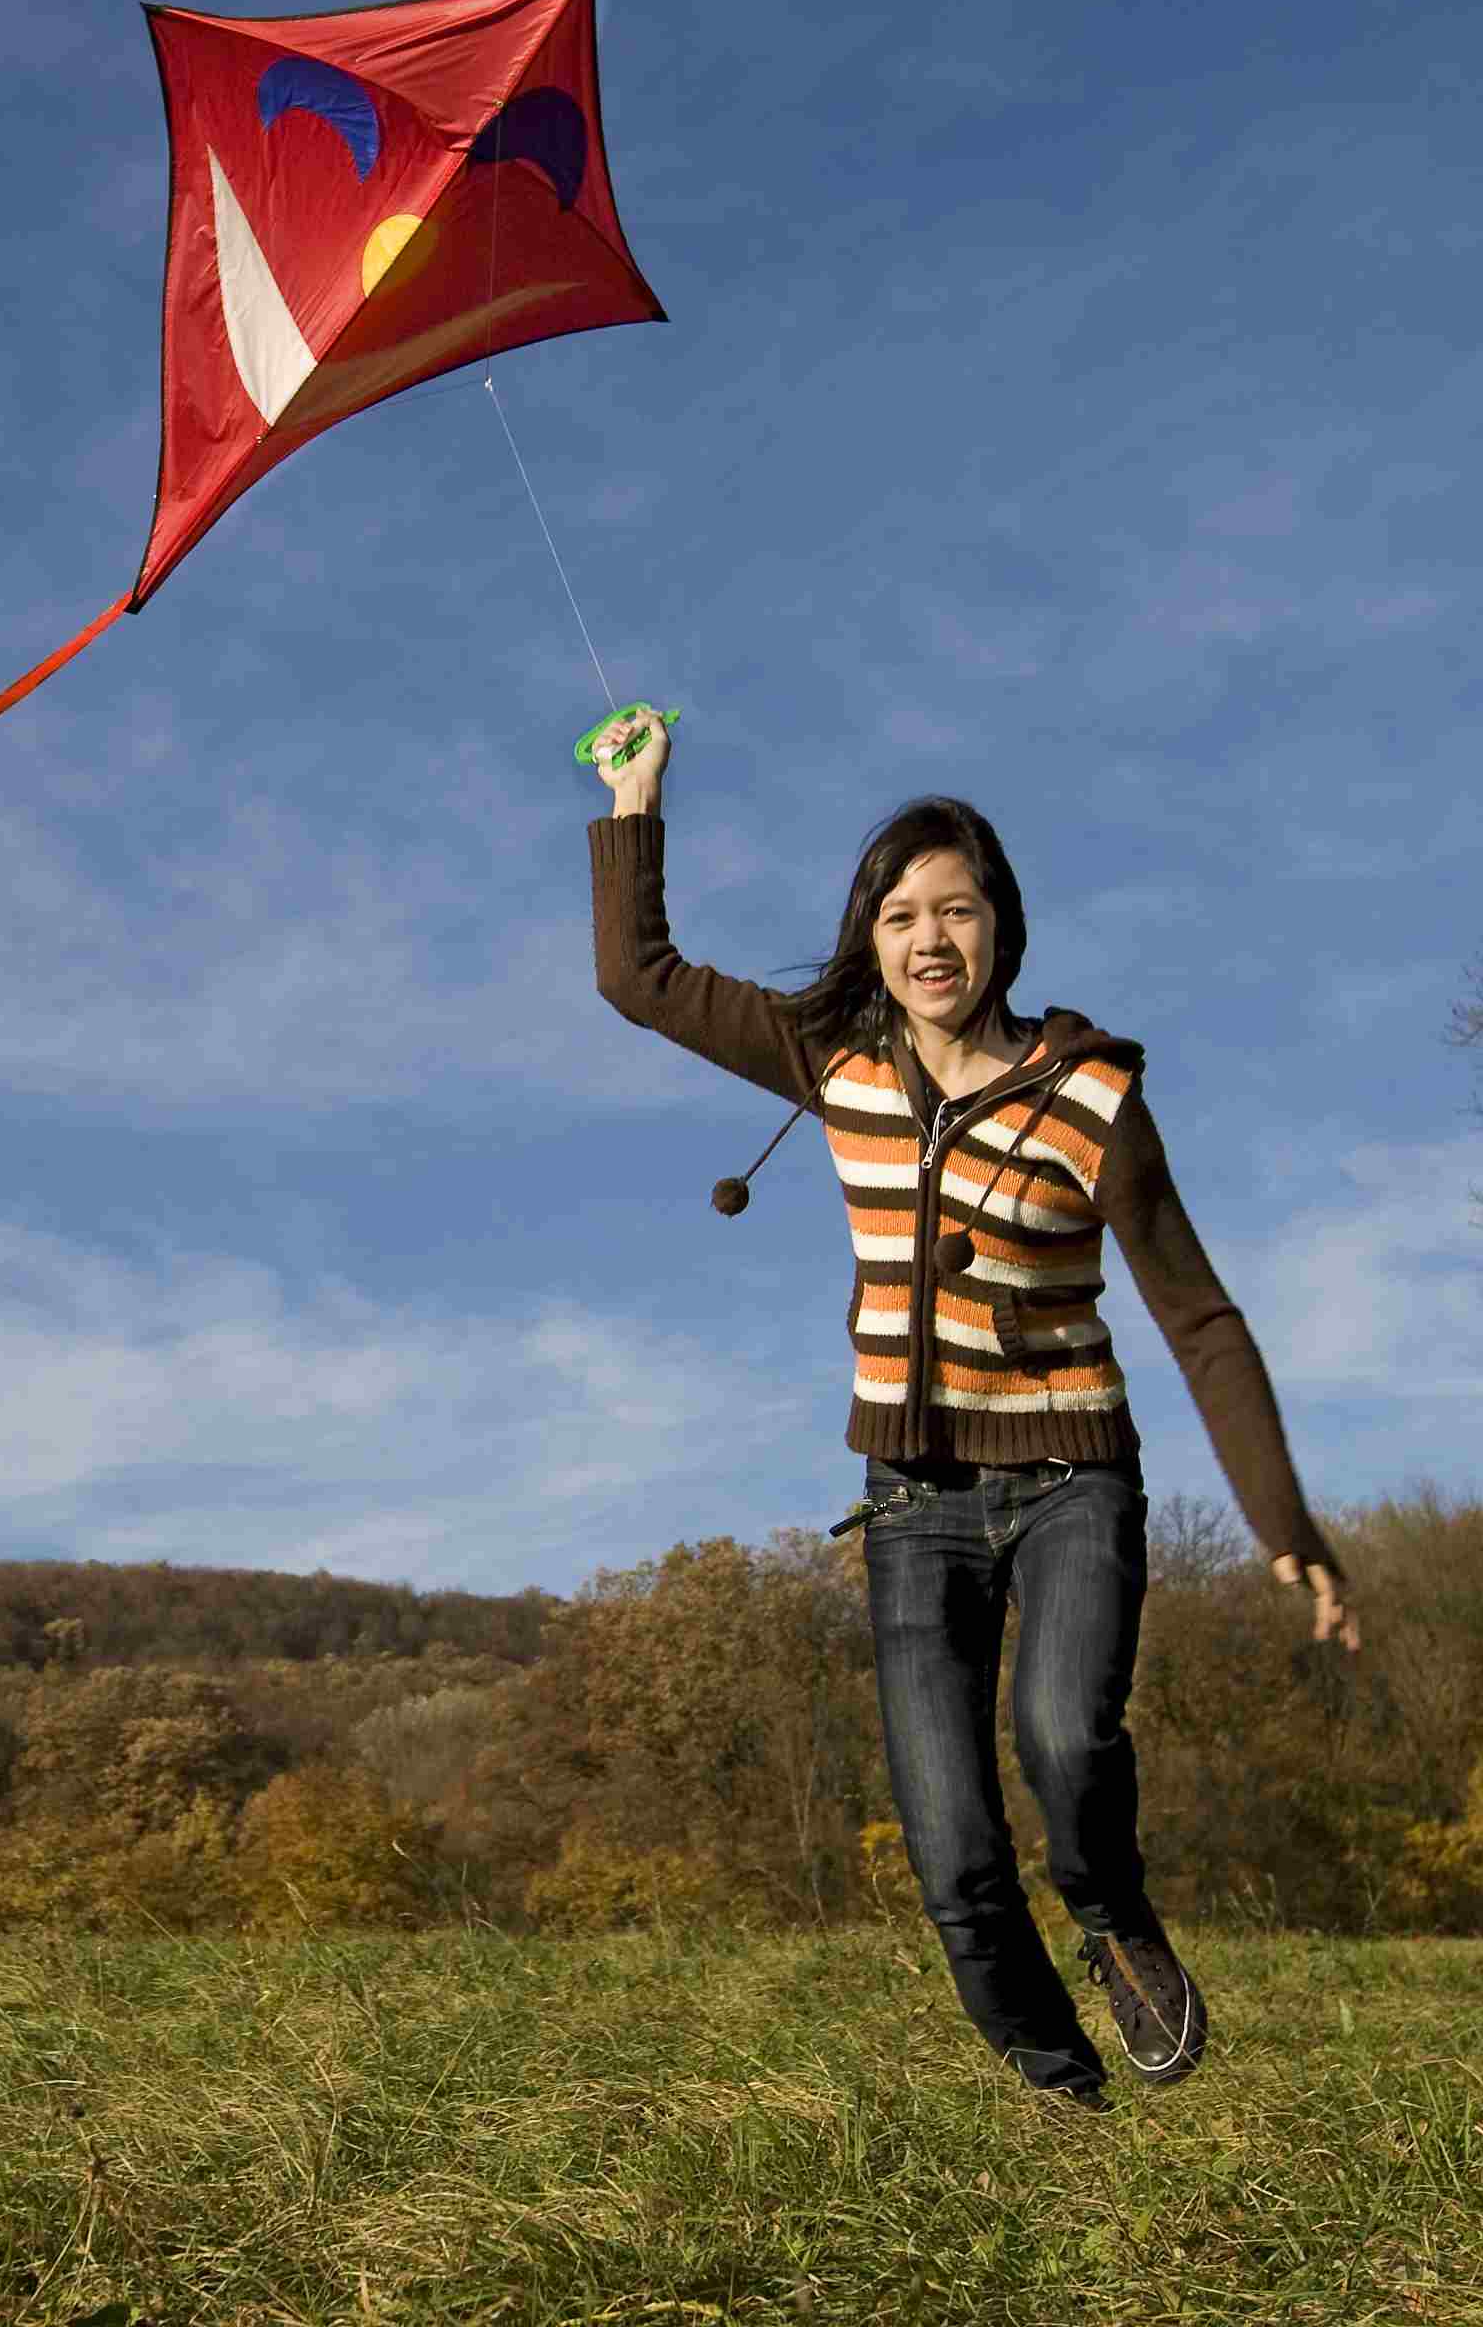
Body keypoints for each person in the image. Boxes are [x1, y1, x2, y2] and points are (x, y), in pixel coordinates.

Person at [582, 707, 1359, 2113]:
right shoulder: (839, 1063)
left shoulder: (1092, 1097)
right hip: (910, 1503)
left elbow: (1198, 1312)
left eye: (957, 909)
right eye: (899, 915)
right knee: (951, 1851)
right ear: (869, 938)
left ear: (1003, 925)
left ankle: (1116, 1917)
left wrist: (1282, 1520)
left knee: (1064, 1739)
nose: (928, 938)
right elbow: (638, 977)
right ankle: (1064, 2099)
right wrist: (637, 801)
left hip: (1072, 1483)